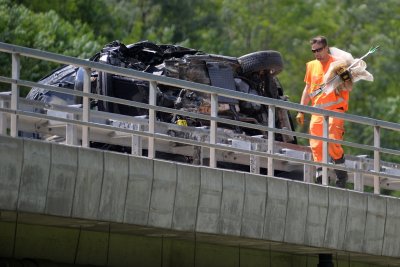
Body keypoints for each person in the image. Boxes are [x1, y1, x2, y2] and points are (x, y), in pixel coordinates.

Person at [296, 36, 352, 188]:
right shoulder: (311, 66)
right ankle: (321, 177)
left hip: (335, 110)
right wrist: (301, 110)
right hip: (317, 112)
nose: (316, 53)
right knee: (317, 145)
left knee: (333, 141)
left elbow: (349, 87)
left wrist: (344, 76)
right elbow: (308, 89)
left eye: (319, 50)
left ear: (326, 48)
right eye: (314, 51)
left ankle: (341, 173)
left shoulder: (338, 64)